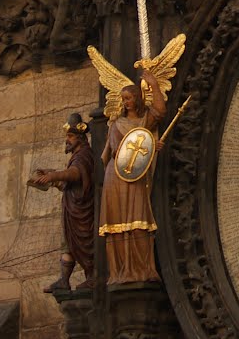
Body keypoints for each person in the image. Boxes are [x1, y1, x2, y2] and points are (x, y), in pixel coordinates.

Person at [100, 71, 166, 282]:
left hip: (136, 177)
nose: (125, 102)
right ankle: (120, 271)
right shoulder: (116, 124)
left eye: (128, 98)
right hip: (116, 175)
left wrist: (154, 84)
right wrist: (151, 144)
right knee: (117, 223)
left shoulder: (144, 121)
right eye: (123, 99)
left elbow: (160, 111)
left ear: (137, 99)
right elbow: (115, 152)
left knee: (139, 219)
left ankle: (142, 269)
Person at [27, 111, 95, 291]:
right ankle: (64, 280)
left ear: (80, 138)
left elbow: (75, 174)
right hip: (72, 212)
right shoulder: (76, 156)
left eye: (70, 136)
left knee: (84, 245)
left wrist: (53, 176)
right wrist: (51, 177)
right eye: (67, 136)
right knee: (68, 245)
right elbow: (68, 183)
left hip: (82, 213)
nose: (67, 140)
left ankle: (93, 276)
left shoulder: (84, 155)